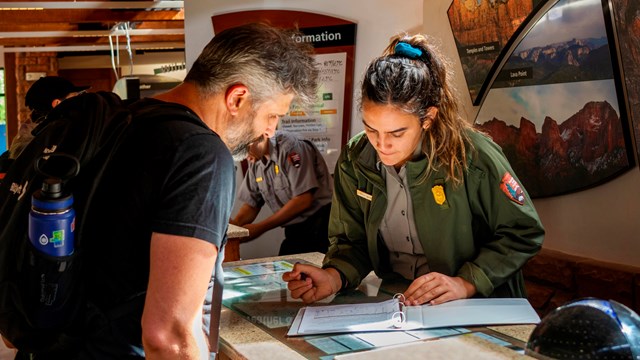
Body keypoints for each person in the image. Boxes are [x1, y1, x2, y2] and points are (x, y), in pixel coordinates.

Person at [10, 23, 318, 359]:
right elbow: (168, 335)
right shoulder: (200, 154)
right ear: (238, 98)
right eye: (272, 115)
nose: (271, 131)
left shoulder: (123, 121)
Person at [283, 33, 544, 307]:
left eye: (397, 133)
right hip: (399, 303)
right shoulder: (355, 158)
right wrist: (334, 277)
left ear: (428, 118)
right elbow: (351, 241)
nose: (381, 144)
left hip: (478, 304)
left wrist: (466, 282)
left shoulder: (474, 156)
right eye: (371, 129)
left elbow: (523, 232)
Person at [231, 130, 333, 255]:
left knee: (301, 271)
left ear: (258, 138)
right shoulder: (256, 159)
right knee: (284, 271)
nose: (248, 159)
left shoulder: (292, 148)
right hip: (294, 231)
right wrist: (234, 229)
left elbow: (303, 200)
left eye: (246, 153)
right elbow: (252, 204)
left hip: (321, 227)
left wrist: (260, 228)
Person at [9, 76, 90, 159]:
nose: (77, 101)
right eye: (74, 96)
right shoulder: (51, 139)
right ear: (57, 103)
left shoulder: (29, 133)